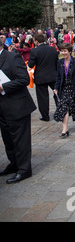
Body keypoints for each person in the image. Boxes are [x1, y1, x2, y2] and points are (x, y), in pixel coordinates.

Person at [0, 39, 37, 183]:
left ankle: (24, 169)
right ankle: (13, 163)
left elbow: (24, 79)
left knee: (20, 140)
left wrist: (3, 87)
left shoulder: (12, 57)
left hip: (17, 106)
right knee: (7, 138)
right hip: (3, 108)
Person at [27, 33, 59, 122]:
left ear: (36, 41)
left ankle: (45, 116)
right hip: (53, 74)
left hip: (41, 77)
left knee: (42, 98)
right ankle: (61, 110)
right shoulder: (52, 49)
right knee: (57, 93)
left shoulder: (34, 51)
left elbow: (30, 64)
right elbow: (56, 61)